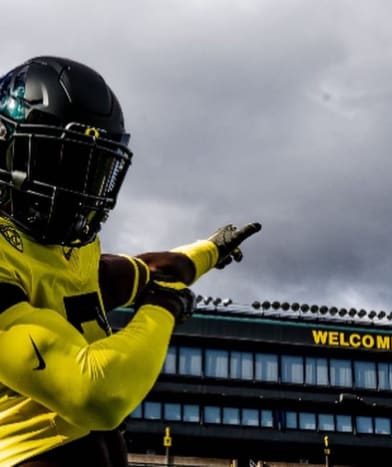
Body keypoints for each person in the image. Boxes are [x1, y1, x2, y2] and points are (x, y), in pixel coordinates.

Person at [0, 56, 262, 466]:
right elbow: (95, 394)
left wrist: (210, 249)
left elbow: (149, 271)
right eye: (58, 162)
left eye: (92, 168)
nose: (78, 189)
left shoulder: (72, 245)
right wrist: (163, 308)